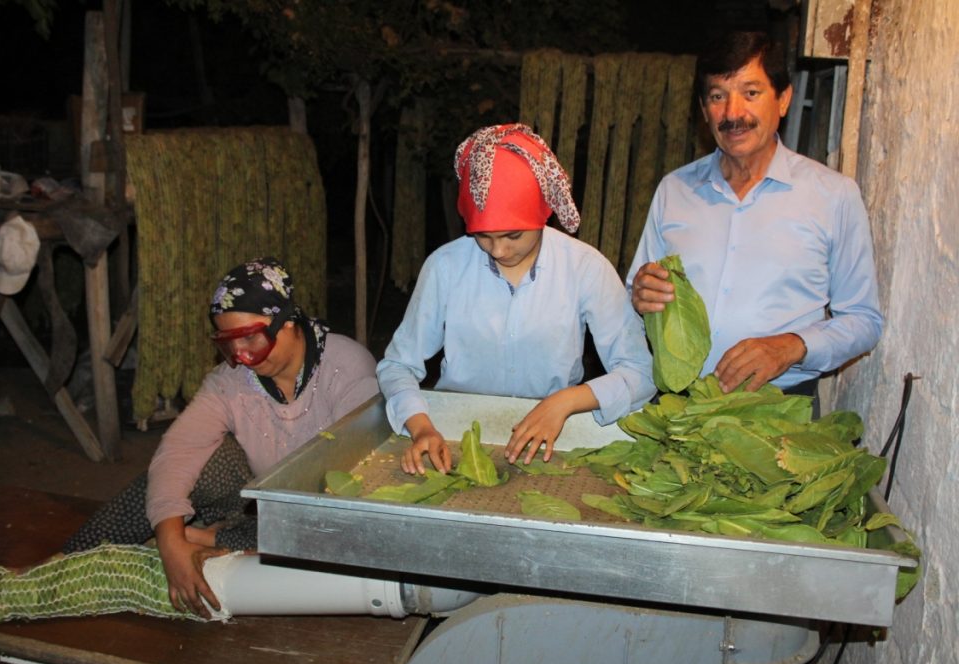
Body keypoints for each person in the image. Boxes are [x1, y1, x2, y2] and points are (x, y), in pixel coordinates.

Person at [63, 257, 379, 619]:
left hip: (327, 519)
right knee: (208, 462)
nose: (242, 355)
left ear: (288, 322)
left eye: (251, 337)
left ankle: (206, 539)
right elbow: (178, 451)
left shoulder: (346, 367)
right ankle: (69, 559)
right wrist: (170, 544)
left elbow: (355, 489)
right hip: (257, 510)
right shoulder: (232, 382)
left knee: (337, 541)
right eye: (230, 344)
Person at [377, 123, 654, 476]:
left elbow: (640, 374)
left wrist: (565, 402)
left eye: (513, 235)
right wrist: (422, 427)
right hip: (456, 441)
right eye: (483, 236)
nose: (499, 250)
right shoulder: (445, 267)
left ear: (543, 214)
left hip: (551, 440)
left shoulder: (585, 267)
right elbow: (397, 366)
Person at [627, 31, 883, 398]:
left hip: (777, 413)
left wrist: (792, 346)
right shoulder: (674, 190)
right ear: (703, 110)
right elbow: (633, 297)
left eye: (751, 93)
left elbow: (864, 320)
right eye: (717, 96)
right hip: (676, 405)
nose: (733, 114)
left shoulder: (833, 196)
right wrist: (638, 296)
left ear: (783, 100)